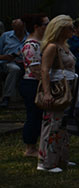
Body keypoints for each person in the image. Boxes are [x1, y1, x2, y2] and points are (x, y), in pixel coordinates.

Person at [37, 15, 77, 172]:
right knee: (52, 124)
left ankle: (60, 157)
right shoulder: (52, 47)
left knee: (63, 125)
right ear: (60, 30)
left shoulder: (64, 46)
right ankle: (46, 161)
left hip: (68, 88)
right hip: (57, 90)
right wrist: (47, 93)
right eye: (69, 28)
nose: (72, 31)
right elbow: (45, 70)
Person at [18, 13, 49, 158]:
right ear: (36, 27)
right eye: (45, 24)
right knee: (33, 115)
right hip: (32, 84)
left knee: (38, 115)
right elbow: (36, 70)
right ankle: (30, 148)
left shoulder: (39, 44)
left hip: (37, 83)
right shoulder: (30, 46)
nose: (48, 27)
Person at [0, 18, 27, 109]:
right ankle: (6, 97)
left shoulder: (29, 37)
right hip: (9, 62)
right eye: (16, 29)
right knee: (15, 69)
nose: (18, 31)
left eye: (20, 29)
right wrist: (6, 57)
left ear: (24, 27)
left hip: (25, 63)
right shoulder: (5, 36)